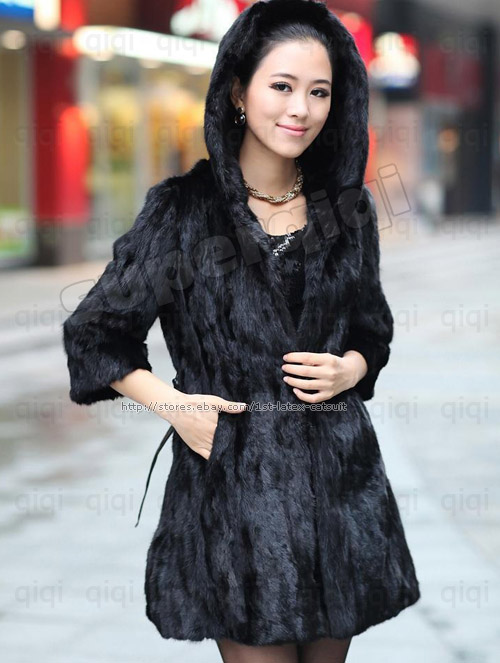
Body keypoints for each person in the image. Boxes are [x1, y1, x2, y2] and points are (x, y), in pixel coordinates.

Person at [62, 1, 421, 662]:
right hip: (235, 499)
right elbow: (94, 335)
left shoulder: (348, 210)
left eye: (319, 92)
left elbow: (372, 331)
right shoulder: (181, 213)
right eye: (282, 86)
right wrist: (177, 407)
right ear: (237, 91)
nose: (301, 109)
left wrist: (351, 367)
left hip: (339, 496)